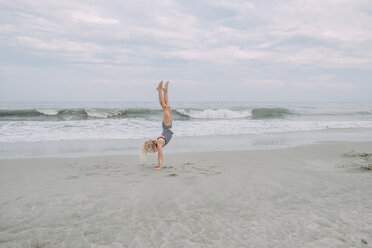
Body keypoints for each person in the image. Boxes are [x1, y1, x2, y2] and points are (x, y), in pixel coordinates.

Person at [142, 81, 173, 170]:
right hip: (168, 126)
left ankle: (159, 90)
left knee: (164, 107)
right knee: (168, 107)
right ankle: (165, 91)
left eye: (151, 150)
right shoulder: (158, 142)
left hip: (167, 126)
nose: (153, 151)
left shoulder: (159, 144)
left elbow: (160, 156)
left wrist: (160, 166)